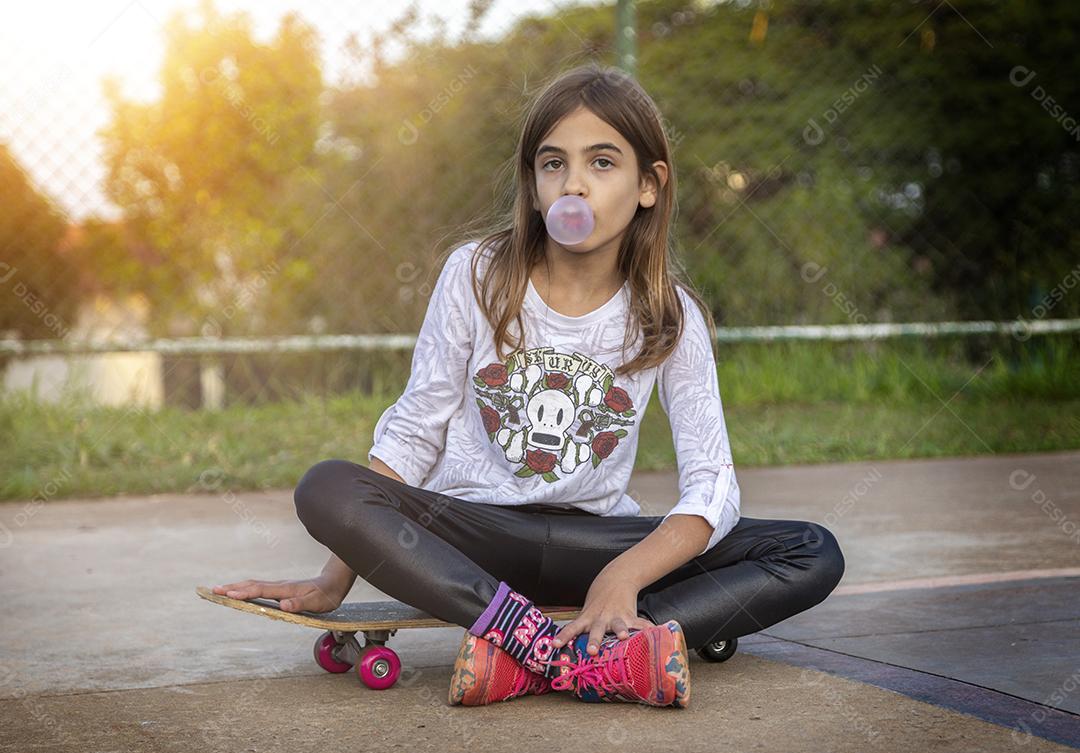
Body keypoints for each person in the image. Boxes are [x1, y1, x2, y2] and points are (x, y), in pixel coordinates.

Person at [214, 63, 845, 709]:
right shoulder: (477, 274)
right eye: (553, 164)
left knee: (810, 551)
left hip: (592, 544)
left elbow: (712, 482)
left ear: (649, 184)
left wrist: (621, 577)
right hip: (471, 540)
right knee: (327, 487)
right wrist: (332, 578)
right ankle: (565, 650)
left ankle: (568, 643)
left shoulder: (669, 313)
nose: (574, 183)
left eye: (602, 162)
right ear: (535, 184)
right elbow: (416, 425)